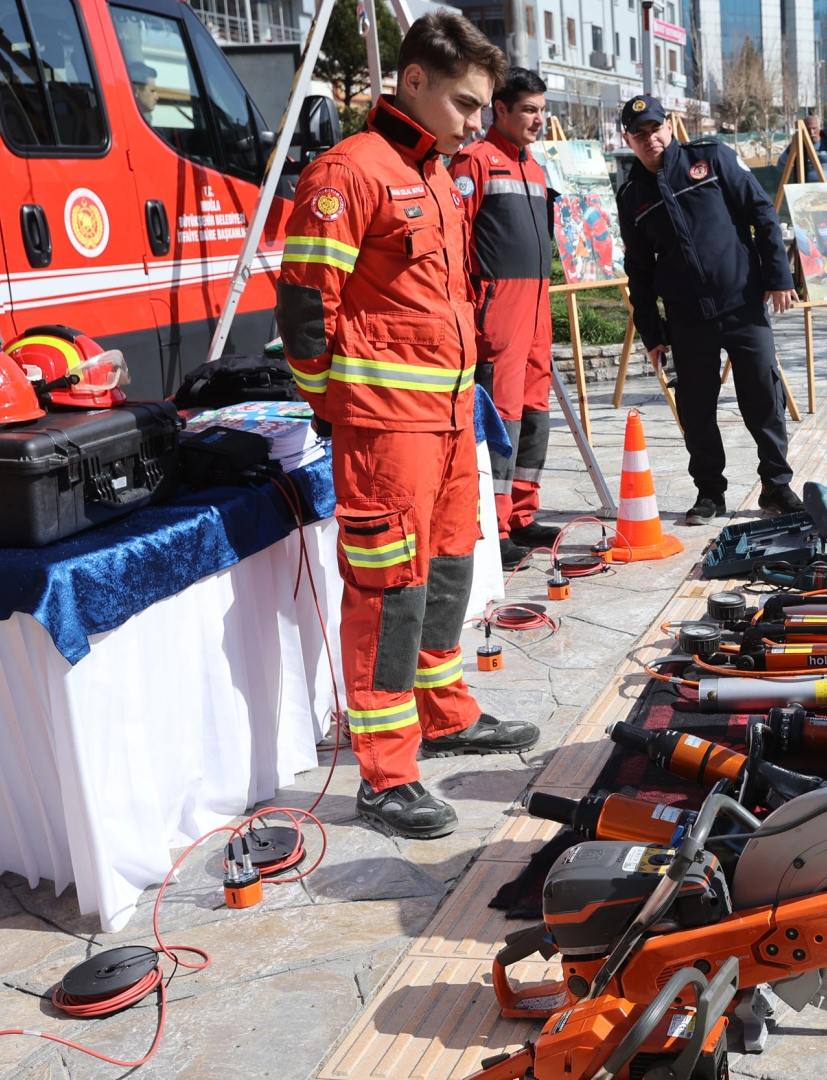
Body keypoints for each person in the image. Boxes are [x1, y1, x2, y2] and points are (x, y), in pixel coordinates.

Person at [277, 12, 538, 839]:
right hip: (387, 431)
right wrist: (338, 406)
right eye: (465, 104)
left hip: (450, 419)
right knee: (390, 594)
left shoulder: (433, 172)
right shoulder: (347, 172)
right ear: (413, 82)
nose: (475, 122)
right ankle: (386, 774)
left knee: (451, 571)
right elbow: (304, 310)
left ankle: (446, 711)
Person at [617, 95, 802, 525]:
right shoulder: (632, 196)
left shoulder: (711, 158)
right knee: (696, 408)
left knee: (763, 396)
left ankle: (776, 484)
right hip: (687, 318)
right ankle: (709, 493)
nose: (650, 139)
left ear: (670, 126)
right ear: (628, 140)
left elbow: (762, 214)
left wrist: (778, 277)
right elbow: (638, 273)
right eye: (639, 134)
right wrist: (652, 333)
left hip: (742, 304)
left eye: (655, 128)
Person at [449, 68, 558, 571]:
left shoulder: (534, 168)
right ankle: (493, 526)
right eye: (529, 109)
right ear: (501, 111)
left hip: (536, 310)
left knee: (535, 413)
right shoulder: (474, 163)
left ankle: (521, 514)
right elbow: (457, 242)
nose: (539, 118)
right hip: (500, 313)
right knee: (504, 416)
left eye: (541, 108)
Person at [776, 113, 827, 208]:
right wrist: (792, 145)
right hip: (808, 198)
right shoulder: (798, 147)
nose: (811, 132)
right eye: (808, 129)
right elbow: (780, 166)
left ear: (819, 128)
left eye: (814, 128)